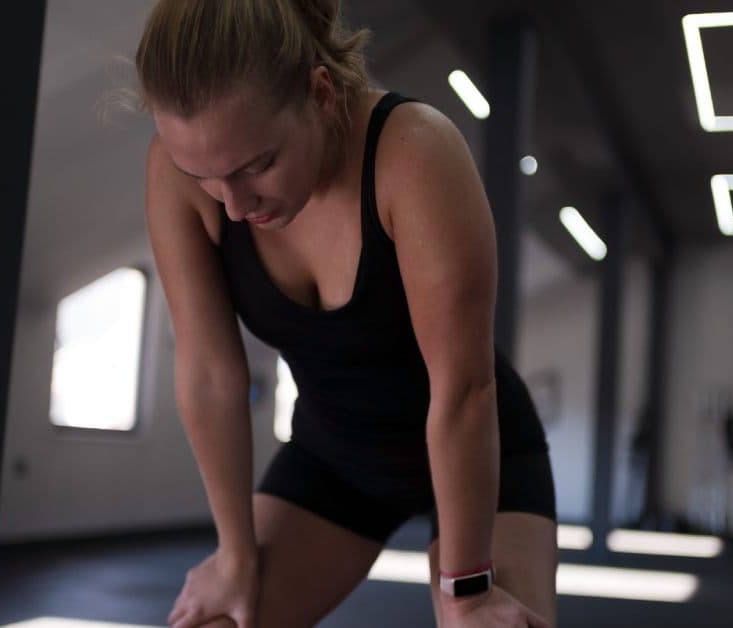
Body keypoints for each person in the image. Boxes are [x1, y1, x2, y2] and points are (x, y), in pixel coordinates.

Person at [135, 1, 557, 626]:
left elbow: (464, 391)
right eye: (207, 177)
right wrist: (234, 553)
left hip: (479, 455)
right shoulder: (175, 177)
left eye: (258, 166)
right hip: (333, 458)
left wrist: (467, 591)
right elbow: (208, 376)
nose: (232, 205)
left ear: (320, 92)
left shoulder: (413, 152)